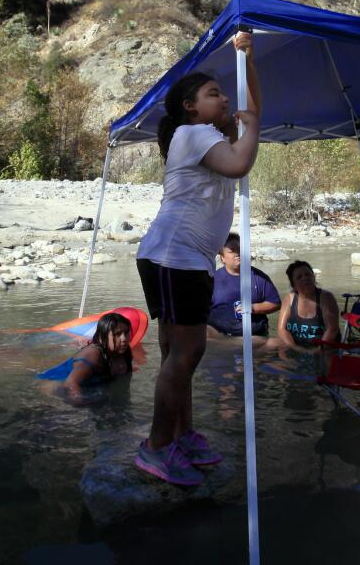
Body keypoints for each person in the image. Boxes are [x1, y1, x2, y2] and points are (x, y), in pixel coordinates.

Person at [133, 31, 262, 487]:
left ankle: (181, 435)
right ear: (190, 106)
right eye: (213, 94)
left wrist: (247, 58)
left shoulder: (210, 137)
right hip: (174, 257)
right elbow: (240, 163)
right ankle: (156, 447)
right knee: (188, 351)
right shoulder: (191, 134)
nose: (224, 98)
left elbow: (250, 112)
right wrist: (254, 129)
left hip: (180, 259)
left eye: (224, 92)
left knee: (176, 353)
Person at [38, 312, 133, 402]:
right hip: (53, 384)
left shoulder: (124, 353)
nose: (124, 339)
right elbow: (70, 384)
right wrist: (82, 404)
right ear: (101, 337)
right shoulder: (92, 354)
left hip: (87, 385)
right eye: (117, 334)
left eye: (126, 333)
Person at [208, 232, 281, 337]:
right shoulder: (212, 280)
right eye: (232, 251)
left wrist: (253, 308)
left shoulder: (259, 277)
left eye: (240, 250)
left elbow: (276, 303)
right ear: (222, 258)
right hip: (220, 339)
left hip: (255, 339)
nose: (237, 254)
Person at [277, 260, 340, 350]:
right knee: (260, 342)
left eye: (308, 274)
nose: (305, 278)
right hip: (295, 347)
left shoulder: (326, 297)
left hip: (323, 348)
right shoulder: (289, 298)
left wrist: (317, 351)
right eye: (299, 277)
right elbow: (281, 330)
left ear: (313, 277)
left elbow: (332, 329)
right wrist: (295, 349)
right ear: (293, 284)